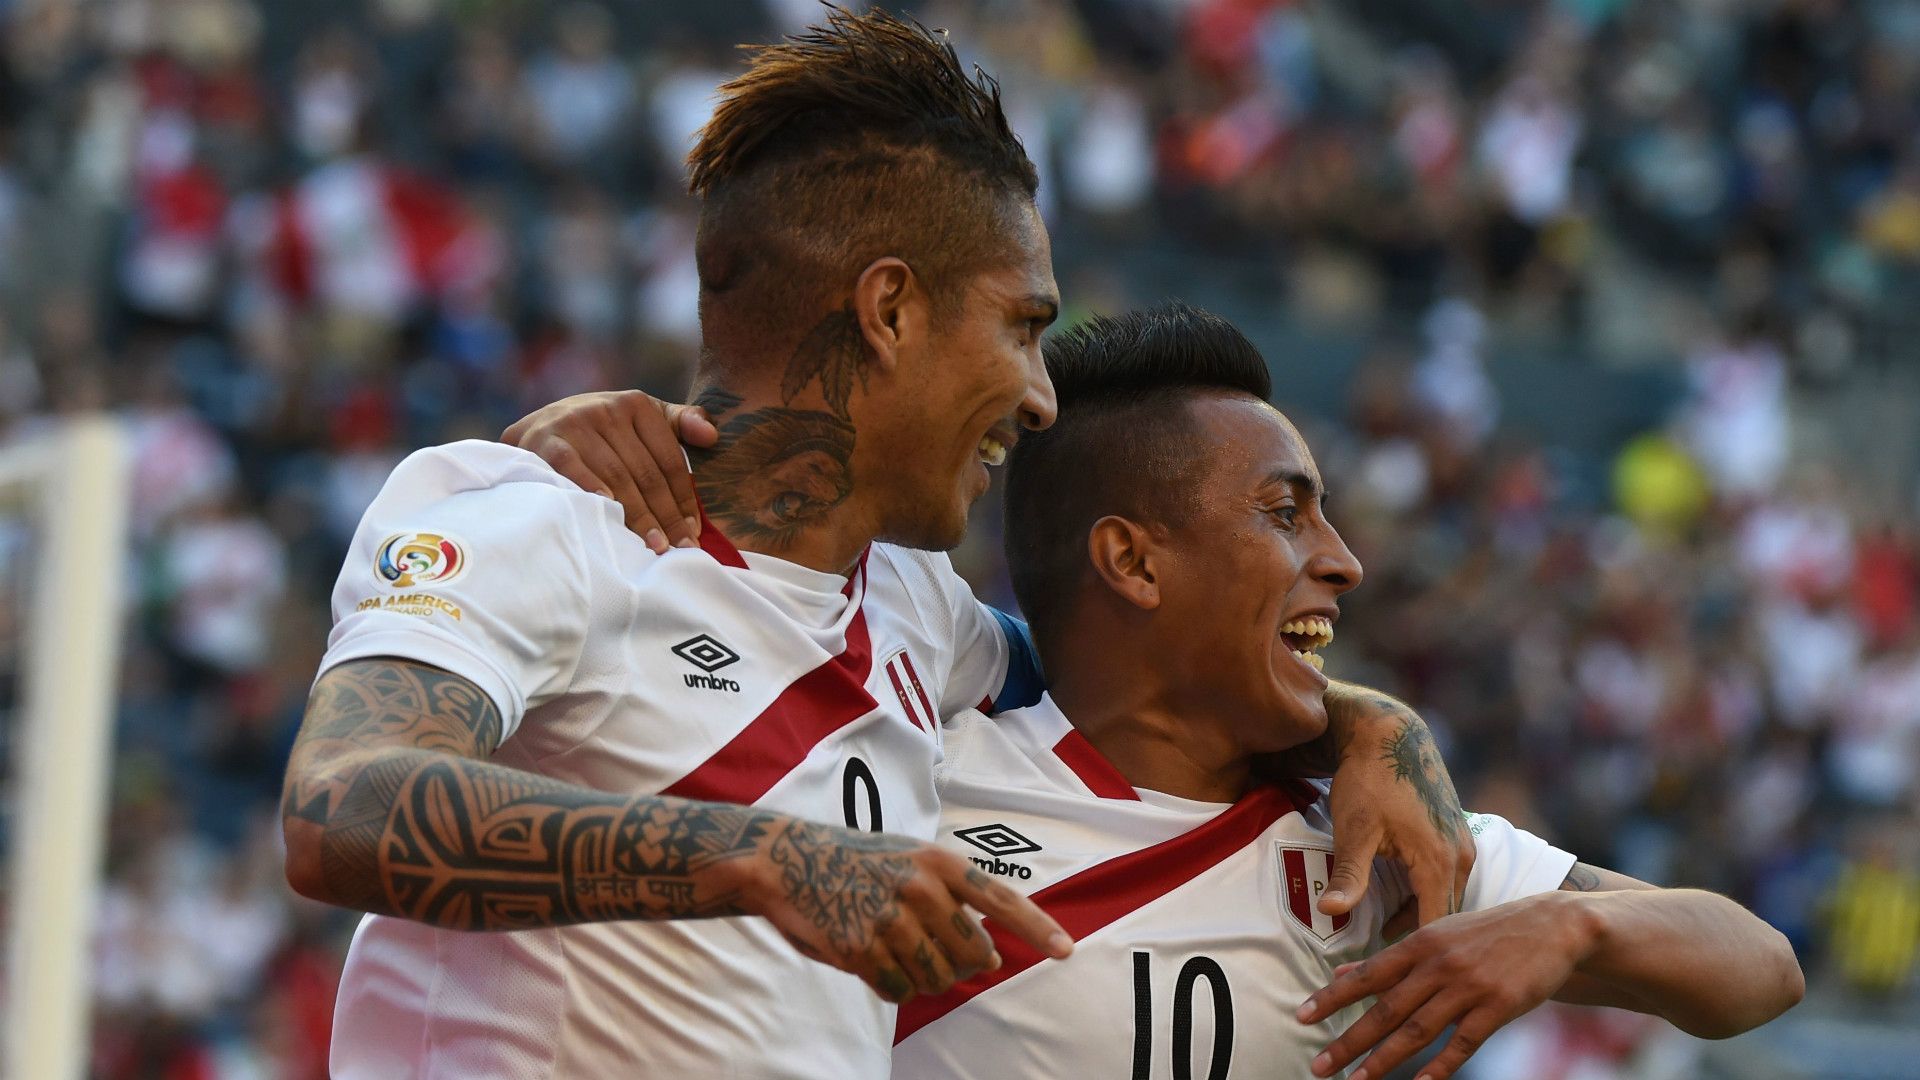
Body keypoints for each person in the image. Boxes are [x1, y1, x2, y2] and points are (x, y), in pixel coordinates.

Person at [282, 12, 1466, 1078]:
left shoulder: (922, 617)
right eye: (1023, 326)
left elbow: (1161, 666)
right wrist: (766, 860)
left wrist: (1369, 724)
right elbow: (341, 808)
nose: (1043, 397)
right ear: (890, 310)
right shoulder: (537, 520)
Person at [531, 304, 1805, 1080]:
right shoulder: (914, 771)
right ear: (1132, 560)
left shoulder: (1368, 840)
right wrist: (560, 456)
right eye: (1283, 510)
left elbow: (1757, 968)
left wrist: (1573, 929)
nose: (1344, 559)